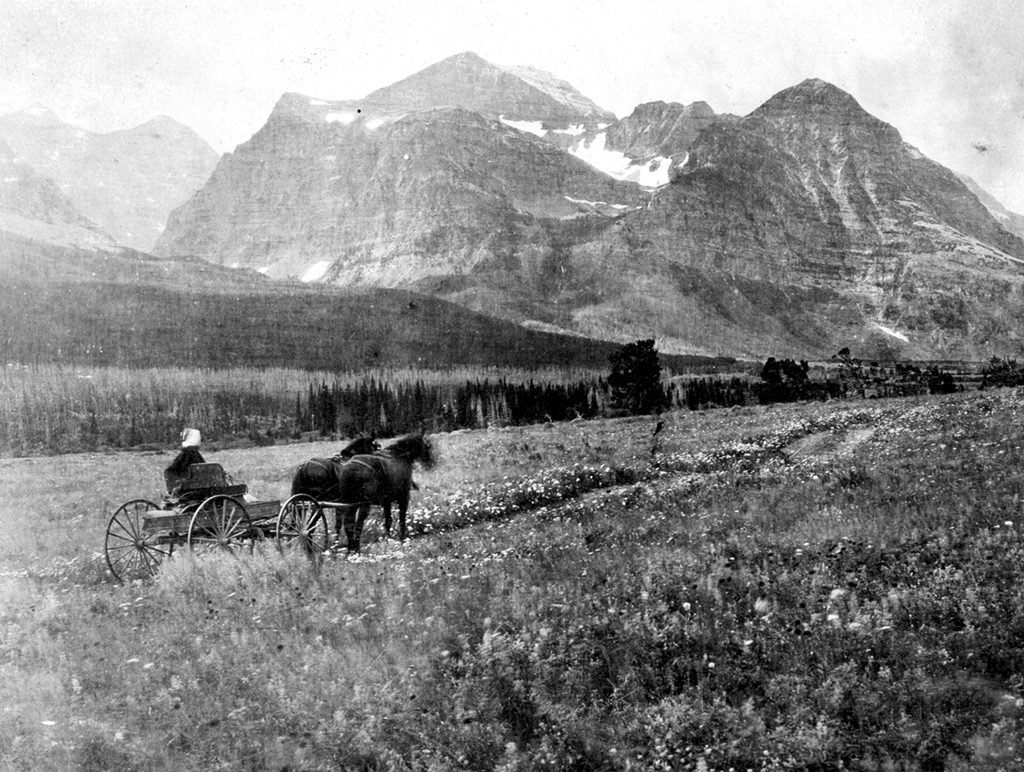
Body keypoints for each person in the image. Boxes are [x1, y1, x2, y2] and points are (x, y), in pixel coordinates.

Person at [164, 428, 206, 493]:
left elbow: (171, 470)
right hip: (199, 489)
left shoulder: (186, 454)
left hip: (189, 489)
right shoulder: (194, 454)